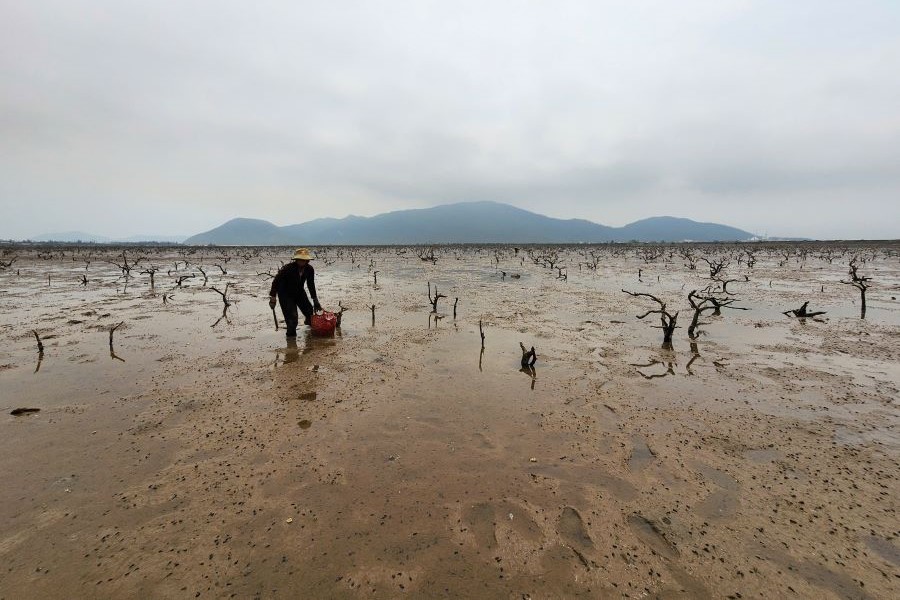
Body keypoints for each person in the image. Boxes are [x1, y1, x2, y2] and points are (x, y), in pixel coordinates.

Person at [269, 248, 322, 337]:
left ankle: (310, 334)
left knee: (310, 313)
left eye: (304, 260)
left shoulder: (309, 269)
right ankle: (291, 341)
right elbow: (276, 281)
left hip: (299, 291)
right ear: (296, 259)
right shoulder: (287, 268)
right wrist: (273, 297)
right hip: (285, 294)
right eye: (300, 259)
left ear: (307, 260)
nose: (302, 261)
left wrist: (315, 300)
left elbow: (311, 284)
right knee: (292, 320)